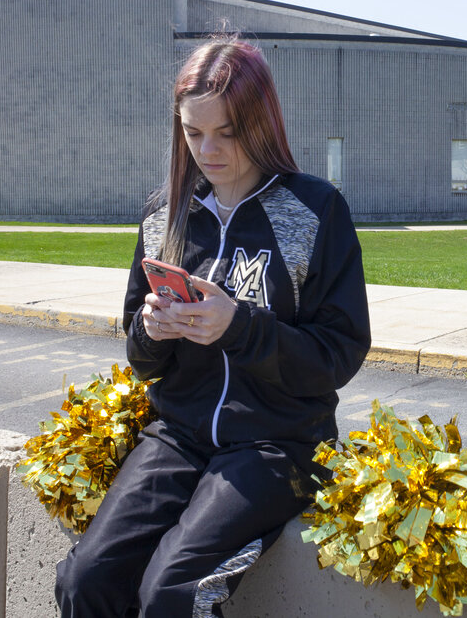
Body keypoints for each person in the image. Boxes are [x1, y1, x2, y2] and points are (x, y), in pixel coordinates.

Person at [55, 38, 371, 617]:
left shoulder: (315, 209)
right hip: (180, 434)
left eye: (226, 132)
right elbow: (141, 357)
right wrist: (153, 331)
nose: (208, 149)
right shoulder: (164, 214)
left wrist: (239, 327)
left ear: (260, 121)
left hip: (279, 446)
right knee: (84, 578)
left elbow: (340, 353)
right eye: (193, 133)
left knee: (171, 592)